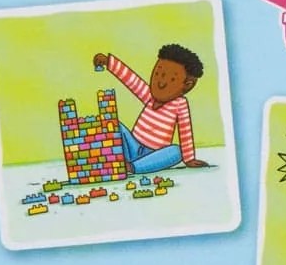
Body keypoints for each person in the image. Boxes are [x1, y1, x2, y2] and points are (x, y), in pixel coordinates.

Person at [90, 43, 209, 174]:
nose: (161, 83)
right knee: (114, 124)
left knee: (176, 151)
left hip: (155, 154)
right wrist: (108, 62)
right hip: (132, 147)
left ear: (187, 85)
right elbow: (131, 79)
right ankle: (112, 158)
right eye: (157, 73)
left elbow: (185, 131)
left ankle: (132, 167)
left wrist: (189, 159)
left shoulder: (180, 104)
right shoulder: (149, 95)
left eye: (172, 79)